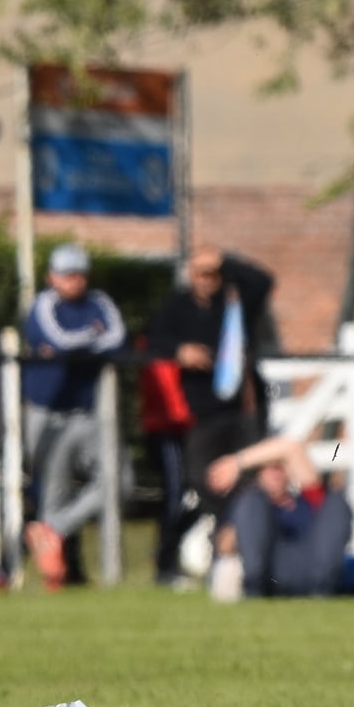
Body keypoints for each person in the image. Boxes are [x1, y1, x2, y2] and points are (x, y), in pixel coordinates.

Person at [145, 247, 274, 580]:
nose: (206, 280)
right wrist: (180, 351)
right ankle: (220, 538)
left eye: (212, 273)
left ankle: (240, 553)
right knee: (201, 479)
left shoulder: (235, 302)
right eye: (200, 273)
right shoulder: (177, 307)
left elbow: (263, 281)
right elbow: (153, 339)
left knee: (247, 480)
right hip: (202, 413)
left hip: (245, 410)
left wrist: (225, 260)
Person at [20, 242, 126, 589]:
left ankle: (52, 530)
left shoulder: (100, 302)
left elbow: (118, 338)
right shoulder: (44, 305)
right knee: (54, 492)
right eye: (66, 275)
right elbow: (58, 340)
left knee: (118, 481)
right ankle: (55, 576)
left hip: (88, 413)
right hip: (47, 415)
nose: (74, 281)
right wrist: (92, 338)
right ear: (52, 277)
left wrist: (83, 344)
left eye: (79, 274)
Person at [205, 435, 352, 600]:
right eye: (269, 468)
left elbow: (291, 449)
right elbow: (224, 545)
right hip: (268, 571)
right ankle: (255, 590)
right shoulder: (251, 506)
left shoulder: (307, 500)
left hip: (311, 569)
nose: (276, 474)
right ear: (259, 474)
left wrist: (236, 462)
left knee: (335, 501)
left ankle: (323, 590)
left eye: (280, 467)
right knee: (251, 503)